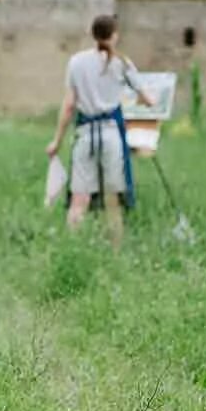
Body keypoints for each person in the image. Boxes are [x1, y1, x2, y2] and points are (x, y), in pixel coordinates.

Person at [46, 15, 154, 247]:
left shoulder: (76, 62)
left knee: (79, 197)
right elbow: (148, 99)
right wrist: (145, 102)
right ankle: (115, 249)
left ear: (93, 34)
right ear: (114, 35)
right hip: (112, 134)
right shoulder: (122, 63)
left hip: (85, 134)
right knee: (113, 198)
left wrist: (56, 141)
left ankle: (73, 247)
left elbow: (68, 106)